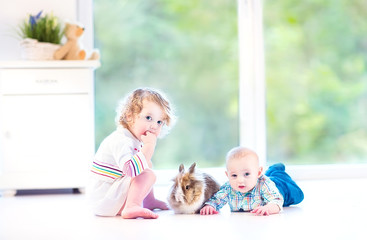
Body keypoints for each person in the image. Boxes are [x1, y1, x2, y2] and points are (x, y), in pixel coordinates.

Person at [87, 88, 176, 219]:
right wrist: (149, 146)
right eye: (148, 118)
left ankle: (148, 201)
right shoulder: (122, 141)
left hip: (111, 196)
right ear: (130, 116)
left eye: (159, 122)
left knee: (146, 164)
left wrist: (146, 153)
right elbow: (130, 171)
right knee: (146, 173)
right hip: (105, 200)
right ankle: (131, 206)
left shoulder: (132, 139)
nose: (154, 126)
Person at [200, 146, 304, 216]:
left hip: (278, 187)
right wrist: (210, 206)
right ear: (227, 175)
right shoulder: (228, 188)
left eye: (246, 174)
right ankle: (271, 171)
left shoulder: (264, 184)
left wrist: (269, 208)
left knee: (297, 195)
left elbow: (276, 200)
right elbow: (217, 199)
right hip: (257, 179)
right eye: (234, 175)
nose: (240, 180)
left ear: (258, 173)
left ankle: (277, 171)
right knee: (264, 176)